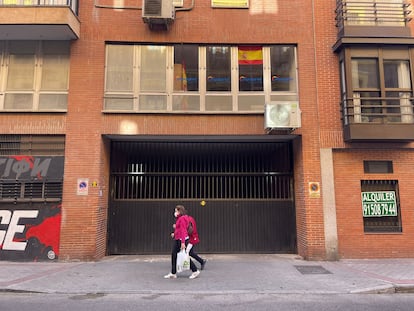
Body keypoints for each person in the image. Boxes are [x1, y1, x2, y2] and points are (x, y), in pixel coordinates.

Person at [164, 205, 200, 279]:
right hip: (178, 239)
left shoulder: (182, 218)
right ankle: (173, 273)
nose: (175, 212)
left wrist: (183, 242)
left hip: (181, 240)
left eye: (176, 211)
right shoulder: (180, 218)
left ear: (180, 211)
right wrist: (174, 234)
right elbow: (180, 229)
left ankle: (195, 270)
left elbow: (183, 230)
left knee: (184, 256)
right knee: (174, 255)